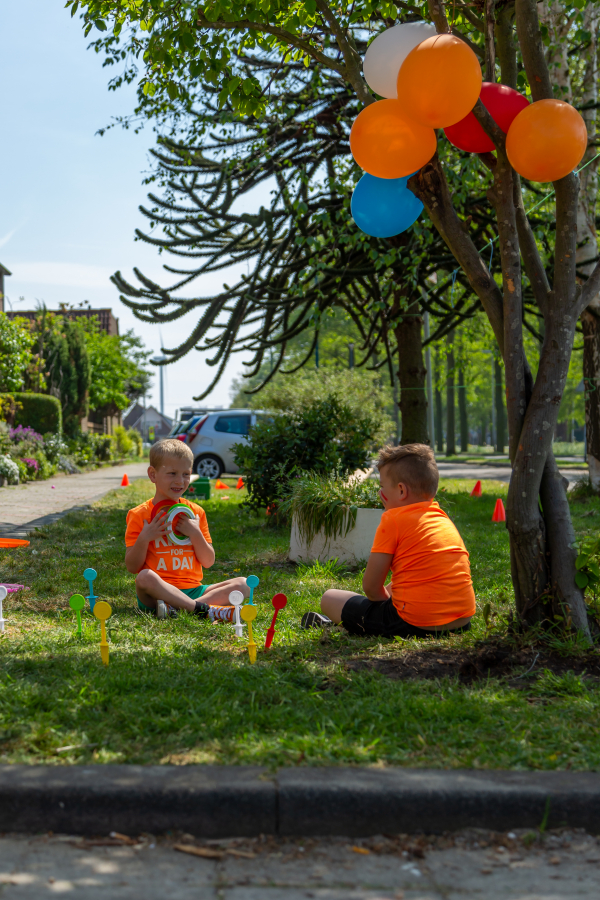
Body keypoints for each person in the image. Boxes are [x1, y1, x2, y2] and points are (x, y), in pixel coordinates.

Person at [301, 443, 476, 638]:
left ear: (401, 491)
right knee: (392, 588)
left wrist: (383, 605)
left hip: (414, 625)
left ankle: (348, 626)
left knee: (329, 598)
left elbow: (371, 588)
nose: (380, 493)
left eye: (382, 487)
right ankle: (349, 626)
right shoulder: (441, 519)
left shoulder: (393, 519)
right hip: (461, 623)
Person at [125, 438, 249, 620]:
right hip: (157, 592)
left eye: (186, 474)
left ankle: (184, 608)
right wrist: (145, 537)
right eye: (172, 473)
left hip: (194, 589)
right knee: (144, 577)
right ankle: (204, 609)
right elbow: (132, 566)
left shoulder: (196, 513)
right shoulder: (139, 515)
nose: (180, 481)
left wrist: (195, 533)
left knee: (244, 584)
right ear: (153, 474)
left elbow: (208, 561)